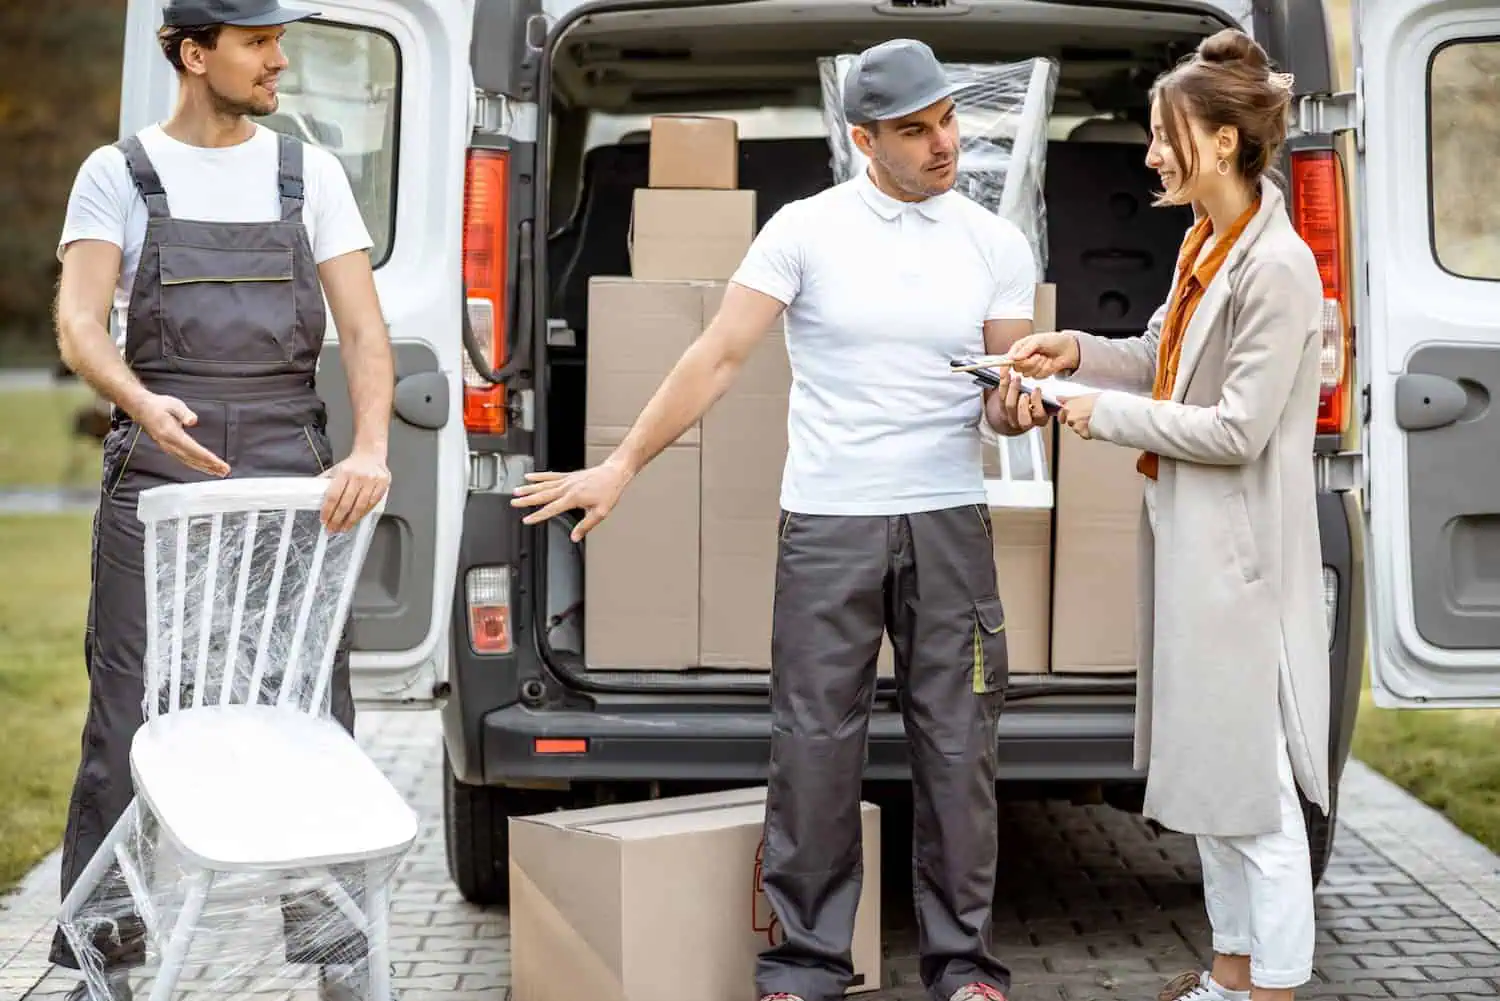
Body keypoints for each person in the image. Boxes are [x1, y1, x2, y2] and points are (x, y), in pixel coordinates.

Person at [511, 37, 1042, 1001]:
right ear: (864, 137)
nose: (941, 144)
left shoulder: (995, 242)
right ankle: (804, 965)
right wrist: (621, 466)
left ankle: (963, 969)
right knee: (812, 747)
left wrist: (1021, 401)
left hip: (950, 524)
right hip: (831, 522)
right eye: (914, 130)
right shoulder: (807, 230)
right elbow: (716, 356)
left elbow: (1005, 392)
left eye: (948, 120)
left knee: (960, 747)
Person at [49, 2, 394, 999]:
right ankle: (103, 956)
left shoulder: (308, 172)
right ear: (195, 54)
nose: (278, 60)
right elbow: (79, 322)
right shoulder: (119, 174)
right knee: (128, 716)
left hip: (292, 470)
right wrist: (139, 401)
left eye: (275, 42)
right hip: (158, 468)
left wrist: (368, 449)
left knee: (308, 712)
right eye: (256, 43)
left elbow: (365, 333)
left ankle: (336, 954)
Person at [1003, 27, 1329, 1001]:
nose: (1149, 153)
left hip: (1242, 563)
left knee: (1258, 789)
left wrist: (1092, 414)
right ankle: (1229, 970)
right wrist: (1076, 353)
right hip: (1195, 549)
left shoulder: (1280, 268)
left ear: (1224, 142)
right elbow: (1162, 352)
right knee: (1213, 781)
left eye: (1164, 134)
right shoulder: (1210, 240)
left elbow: (1235, 428)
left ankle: (1272, 982)